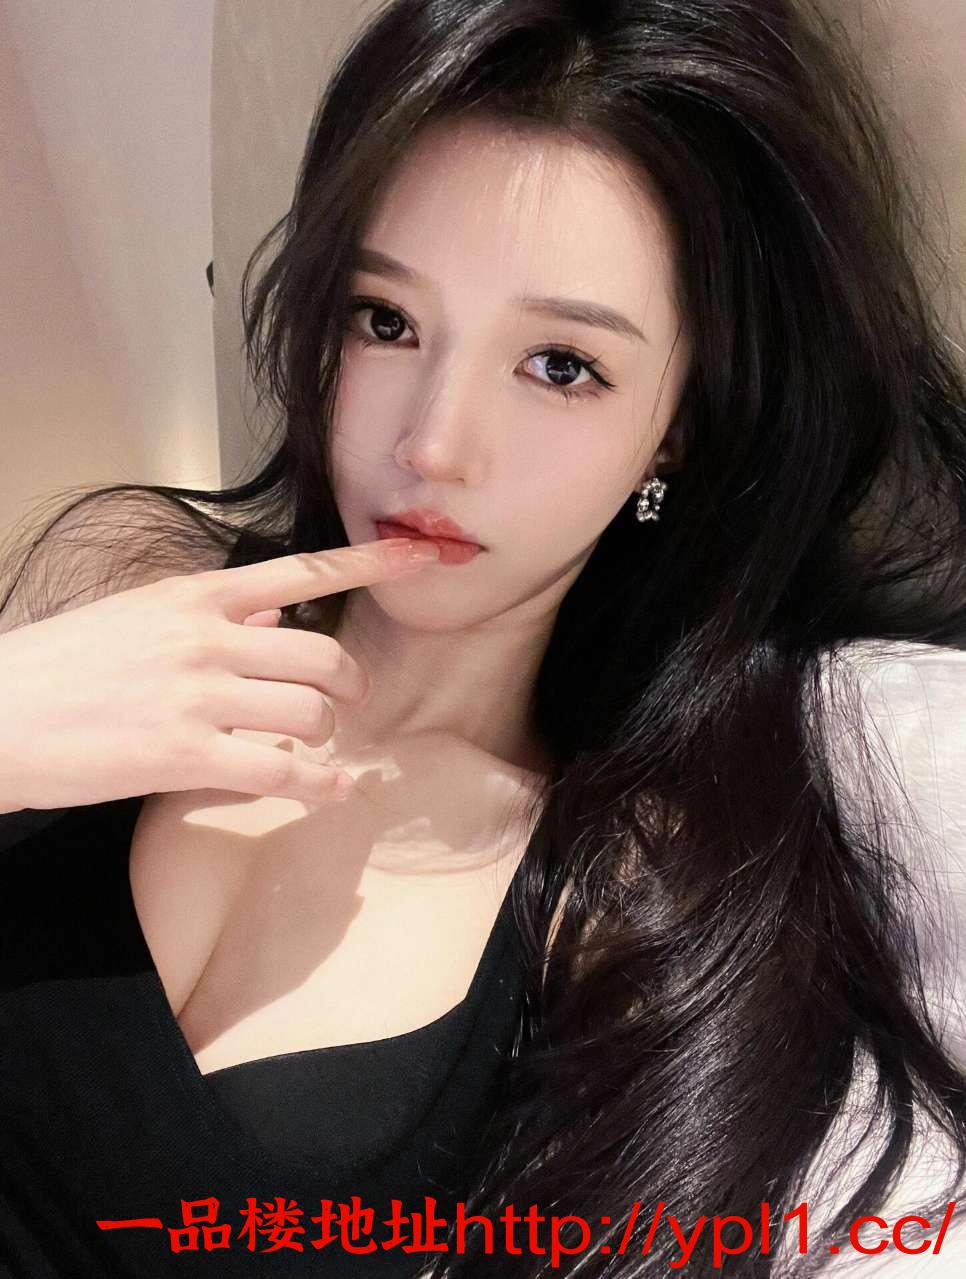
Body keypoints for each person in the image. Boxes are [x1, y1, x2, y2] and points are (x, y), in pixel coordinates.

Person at [1, 0, 965, 1274]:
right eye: (386, 319)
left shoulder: (617, 898)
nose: (432, 444)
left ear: (677, 428)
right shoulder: (126, 577)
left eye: (561, 365)